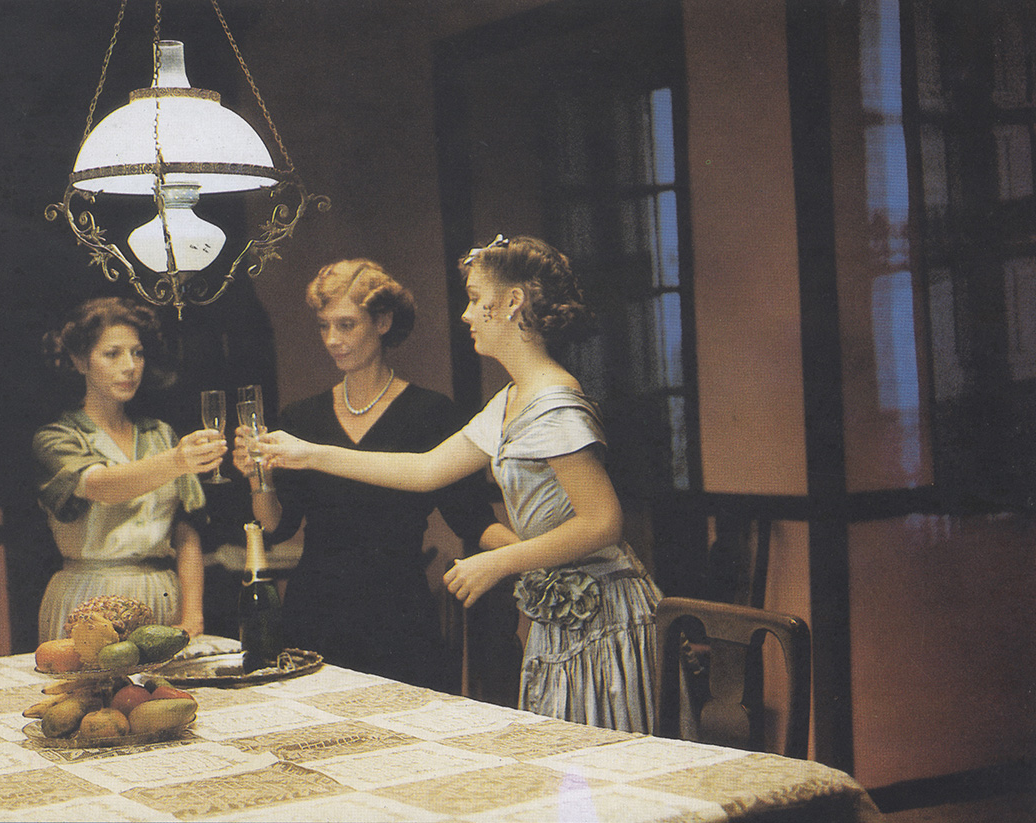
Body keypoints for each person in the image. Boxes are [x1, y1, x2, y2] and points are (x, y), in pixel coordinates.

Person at [255, 236, 662, 732]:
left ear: (512, 302)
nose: (466, 314)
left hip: (599, 609)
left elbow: (603, 522)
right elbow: (425, 470)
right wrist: (310, 453)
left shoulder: (553, 400)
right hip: (562, 605)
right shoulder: (511, 398)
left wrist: (499, 561)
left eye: (474, 298)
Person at [232, 259, 514, 692]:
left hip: (399, 615)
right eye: (324, 326)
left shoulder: (431, 413)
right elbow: (277, 526)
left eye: (346, 325)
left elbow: (474, 520)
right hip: (315, 612)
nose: (333, 340)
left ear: (383, 322)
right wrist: (257, 476)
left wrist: (542, 557)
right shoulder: (302, 417)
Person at [33, 296, 227, 643]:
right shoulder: (56, 438)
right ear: (80, 361)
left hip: (162, 595)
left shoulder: (160, 435)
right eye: (112, 354)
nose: (130, 366)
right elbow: (103, 486)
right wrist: (177, 461)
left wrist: (192, 615)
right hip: (88, 596)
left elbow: (185, 531)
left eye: (137, 353)